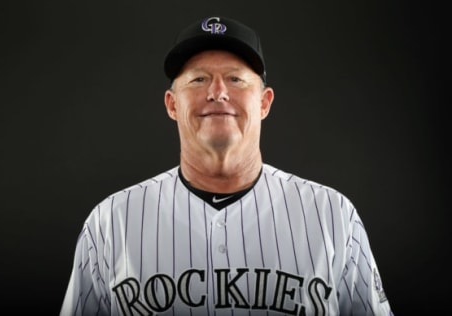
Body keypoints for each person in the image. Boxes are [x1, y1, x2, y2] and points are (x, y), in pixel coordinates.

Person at [60, 16, 393, 316]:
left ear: (264, 103)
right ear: (172, 104)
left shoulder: (332, 215)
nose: (217, 92)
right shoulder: (110, 222)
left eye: (235, 79)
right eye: (198, 79)